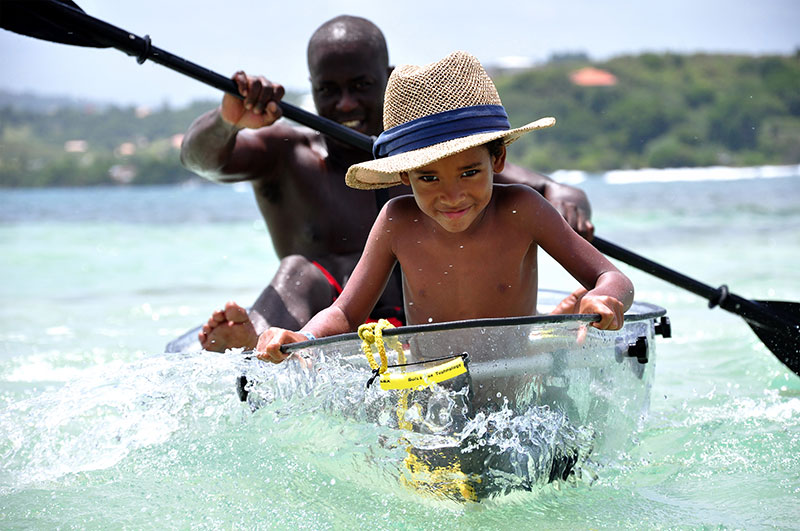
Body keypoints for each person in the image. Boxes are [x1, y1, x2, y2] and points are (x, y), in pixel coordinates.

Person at [173, 15, 595, 353]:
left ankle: (552, 316)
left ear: (387, 78)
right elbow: (200, 159)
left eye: (360, 86)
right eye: (329, 89)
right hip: (329, 317)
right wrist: (227, 120)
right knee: (297, 270)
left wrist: (567, 203)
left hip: (423, 323)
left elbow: (544, 189)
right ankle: (257, 340)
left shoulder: (448, 161)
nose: (346, 104)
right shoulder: (286, 152)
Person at [255, 51, 633, 363]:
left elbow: (613, 278)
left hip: (514, 384)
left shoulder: (523, 209)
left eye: (469, 172)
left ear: (497, 160)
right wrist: (303, 336)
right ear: (404, 177)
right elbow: (344, 314)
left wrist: (605, 298)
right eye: (429, 178)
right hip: (431, 394)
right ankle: (556, 319)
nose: (452, 196)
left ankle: (559, 320)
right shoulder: (397, 221)